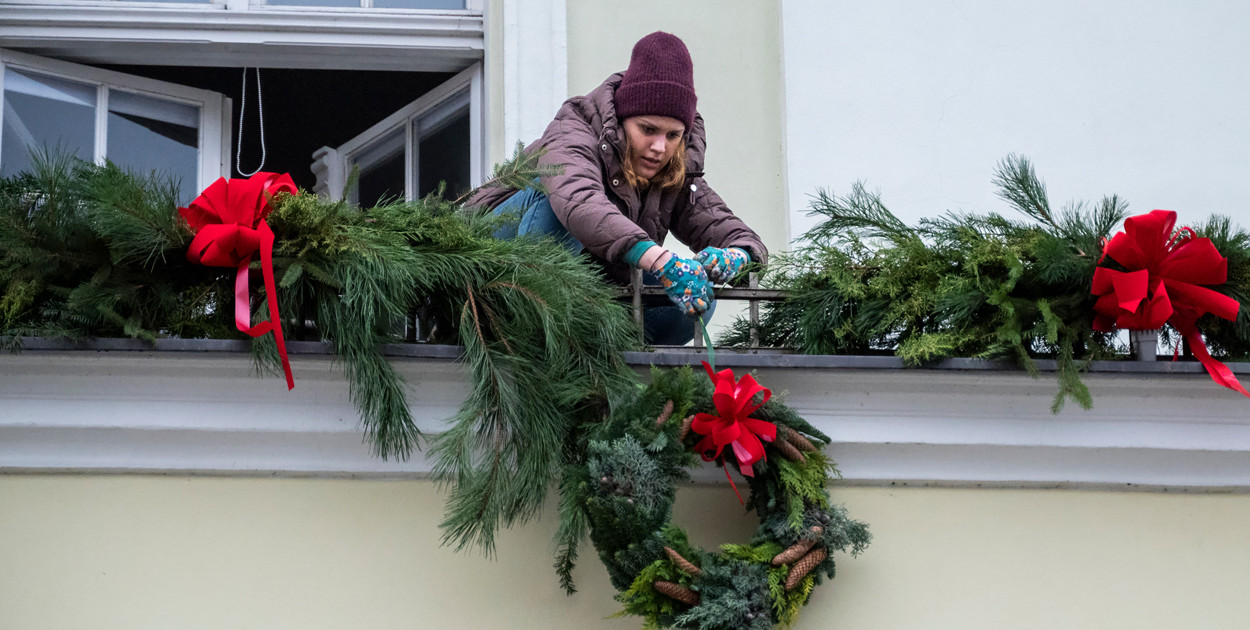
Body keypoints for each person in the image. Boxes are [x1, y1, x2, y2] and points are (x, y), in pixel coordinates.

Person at [469, 31, 767, 345]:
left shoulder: (672, 169)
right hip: (489, 268)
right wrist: (659, 259)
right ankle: (528, 331)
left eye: (672, 135)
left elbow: (726, 226)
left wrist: (738, 255)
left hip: (580, 300)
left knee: (698, 299)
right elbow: (579, 200)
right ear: (621, 120)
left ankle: (601, 350)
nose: (659, 147)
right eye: (648, 129)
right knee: (555, 204)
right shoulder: (575, 129)